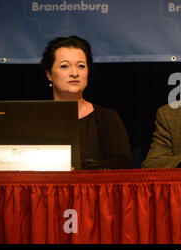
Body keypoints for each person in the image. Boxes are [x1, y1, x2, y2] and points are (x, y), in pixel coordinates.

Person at [40, 35, 132, 170]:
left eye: (81, 66)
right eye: (64, 66)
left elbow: (122, 164)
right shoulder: (34, 118)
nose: (74, 73)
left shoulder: (106, 118)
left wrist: (79, 169)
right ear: (49, 74)